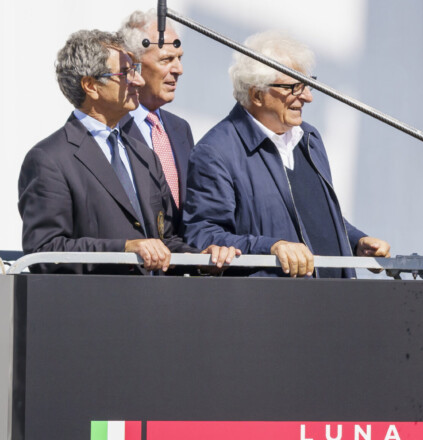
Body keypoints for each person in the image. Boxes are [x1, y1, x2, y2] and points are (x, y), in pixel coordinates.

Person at [18, 30, 238, 275]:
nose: (138, 81)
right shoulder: (50, 159)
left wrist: (200, 259)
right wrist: (125, 249)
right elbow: (45, 250)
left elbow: (164, 240)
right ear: (91, 86)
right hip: (93, 307)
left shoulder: (144, 155)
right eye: (125, 73)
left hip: (151, 305)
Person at [184, 31, 390, 278]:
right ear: (257, 95)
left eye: (307, 84)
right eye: (294, 86)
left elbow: (314, 216)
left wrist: (357, 242)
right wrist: (271, 248)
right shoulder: (216, 151)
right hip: (274, 307)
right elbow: (203, 235)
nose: (307, 97)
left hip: (337, 304)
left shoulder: (309, 139)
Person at [118, 10, 193, 234]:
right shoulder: (112, 127)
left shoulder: (180, 129)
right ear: (133, 64)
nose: (178, 69)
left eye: (179, 58)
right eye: (166, 59)